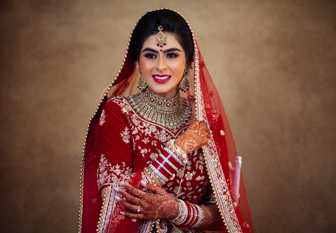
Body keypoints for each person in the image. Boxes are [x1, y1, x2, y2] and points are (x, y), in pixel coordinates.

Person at [78, 9, 254, 233]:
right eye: (150, 55)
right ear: (138, 62)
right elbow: (116, 202)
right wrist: (179, 149)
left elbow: (224, 214)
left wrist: (174, 210)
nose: (160, 66)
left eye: (171, 54)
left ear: (189, 61)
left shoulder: (205, 121)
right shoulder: (117, 114)